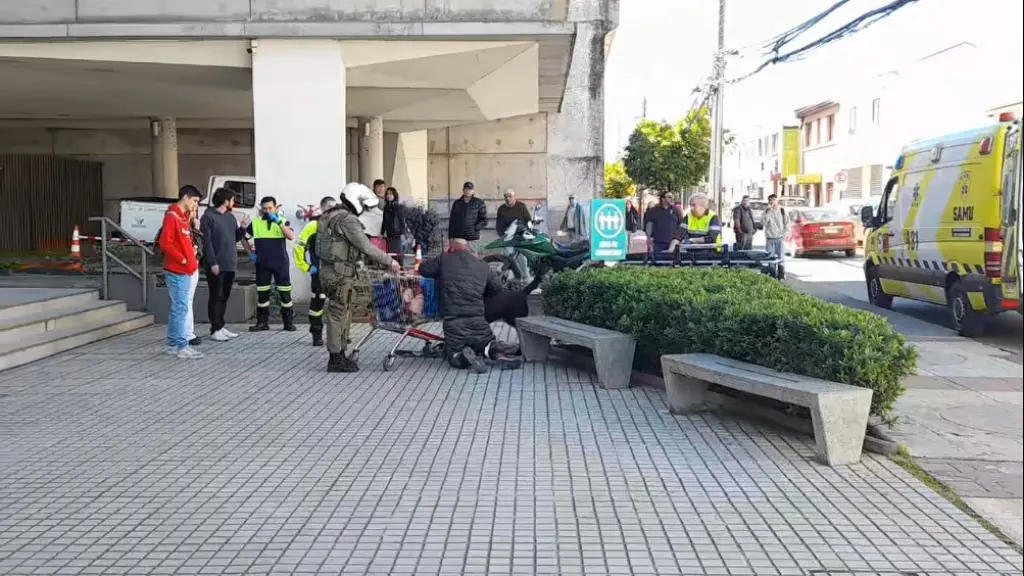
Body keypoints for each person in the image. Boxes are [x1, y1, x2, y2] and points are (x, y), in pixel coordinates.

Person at [317, 186, 402, 372]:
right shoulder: (346, 220)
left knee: (340, 312)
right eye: (363, 205)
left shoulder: (329, 215)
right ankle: (336, 358)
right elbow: (365, 246)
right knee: (339, 313)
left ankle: (339, 354)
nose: (363, 209)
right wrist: (390, 262)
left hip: (329, 271)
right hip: (340, 274)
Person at [419, 239, 523, 374]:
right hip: (478, 320)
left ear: (451, 248)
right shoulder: (482, 265)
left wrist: (444, 256)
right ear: (469, 249)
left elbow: (423, 269)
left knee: (454, 354)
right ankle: (500, 356)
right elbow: (496, 288)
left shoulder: (445, 259)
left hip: (453, 322)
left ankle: (463, 357)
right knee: (487, 344)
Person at [201, 187, 251, 342]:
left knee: (224, 296)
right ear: (225, 201)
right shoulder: (208, 217)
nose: (233, 202)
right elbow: (207, 243)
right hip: (216, 265)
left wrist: (243, 227)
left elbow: (234, 238)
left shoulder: (230, 218)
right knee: (216, 296)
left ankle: (221, 325)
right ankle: (214, 328)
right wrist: (213, 262)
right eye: (232, 199)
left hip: (230, 263)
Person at [159, 186, 203, 359]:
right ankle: (180, 345)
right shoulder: (173, 216)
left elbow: (181, 241)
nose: (195, 205)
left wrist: (190, 253)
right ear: (185, 197)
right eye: (194, 201)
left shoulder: (183, 218)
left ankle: (174, 343)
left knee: (180, 307)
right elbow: (166, 243)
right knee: (181, 308)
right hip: (178, 270)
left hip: (186, 269)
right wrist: (183, 259)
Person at [248, 196, 297, 332]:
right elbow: (244, 237)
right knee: (262, 295)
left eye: (270, 208)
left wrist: (278, 222)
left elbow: (291, 236)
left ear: (275, 208)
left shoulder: (283, 221)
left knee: (285, 294)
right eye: (264, 209)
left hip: (280, 263)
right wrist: (250, 253)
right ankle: (262, 323)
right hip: (262, 263)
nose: (267, 211)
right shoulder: (256, 223)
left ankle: (288, 322)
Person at [294, 196, 337, 348]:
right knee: (318, 303)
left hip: (337, 272)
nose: (332, 209)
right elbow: (299, 246)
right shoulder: (313, 225)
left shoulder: (339, 225)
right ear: (323, 208)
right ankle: (317, 334)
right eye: (329, 207)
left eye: (334, 206)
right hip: (319, 272)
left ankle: (338, 335)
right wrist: (306, 266)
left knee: (338, 304)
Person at [448, 181, 488, 248]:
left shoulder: (479, 203)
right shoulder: (457, 203)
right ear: (463, 190)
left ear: (473, 191)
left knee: (473, 256)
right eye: (466, 189)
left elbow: (484, 220)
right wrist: (450, 237)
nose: (468, 191)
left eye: (470, 189)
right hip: (459, 237)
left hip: (473, 237)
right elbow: (452, 221)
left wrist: (475, 228)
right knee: (459, 256)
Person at [381, 187, 407, 258]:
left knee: (397, 255)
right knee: (390, 255)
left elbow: (402, 221)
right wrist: (382, 233)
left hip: (397, 235)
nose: (388, 195)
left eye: (391, 194)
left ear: (394, 195)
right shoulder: (386, 207)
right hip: (389, 235)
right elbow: (384, 221)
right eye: (387, 194)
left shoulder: (398, 207)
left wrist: (402, 234)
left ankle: (399, 268)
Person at [763, 194, 787, 258]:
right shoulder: (766, 211)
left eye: (774, 200)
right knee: (769, 258)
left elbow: (787, 224)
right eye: (770, 200)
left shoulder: (782, 210)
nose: (772, 202)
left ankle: (780, 267)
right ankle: (771, 268)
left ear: (777, 201)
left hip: (779, 238)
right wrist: (768, 212)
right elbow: (763, 223)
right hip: (770, 238)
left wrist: (784, 235)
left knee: (780, 258)